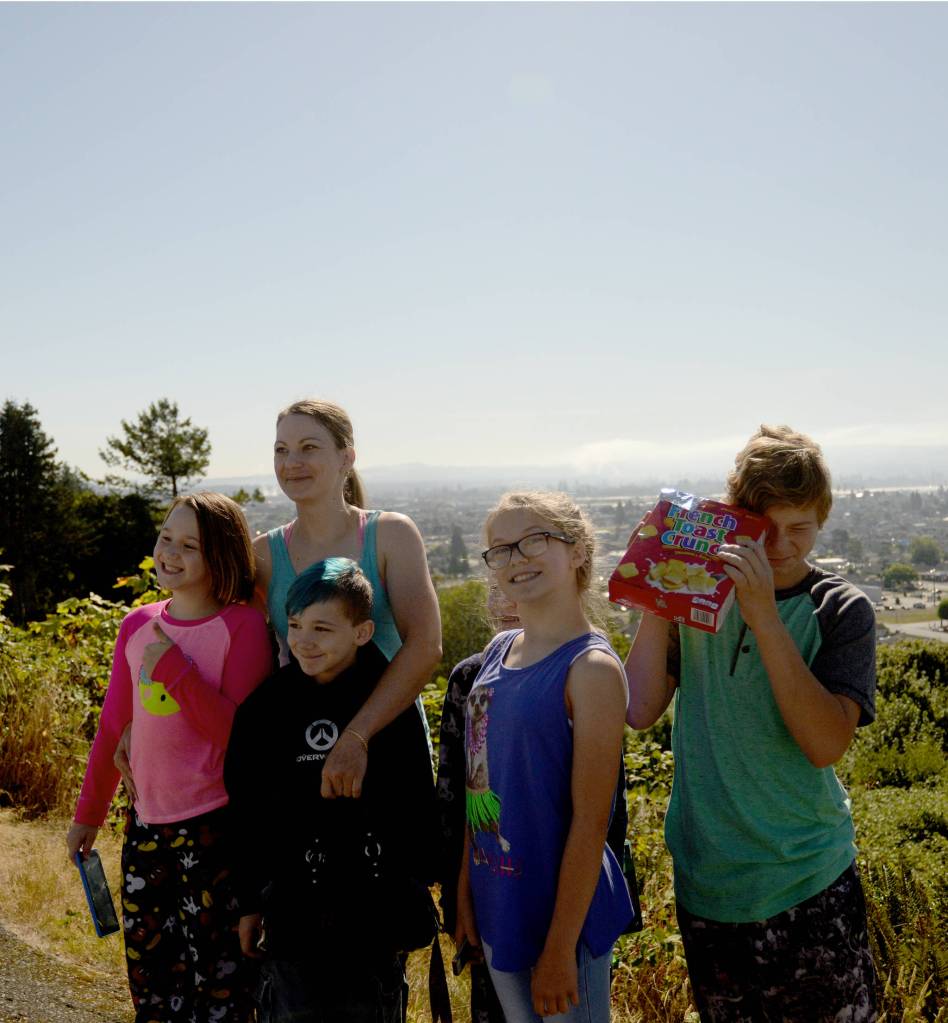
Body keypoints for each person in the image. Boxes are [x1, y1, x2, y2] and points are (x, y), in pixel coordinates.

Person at [623, 425, 878, 1023]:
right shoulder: (703, 595)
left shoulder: (841, 610)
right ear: (737, 518)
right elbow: (638, 710)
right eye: (767, 529)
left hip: (807, 879)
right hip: (709, 883)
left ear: (823, 519)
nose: (784, 547)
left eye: (801, 529)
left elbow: (824, 744)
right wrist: (660, 596)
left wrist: (764, 615)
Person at [66, 492, 273, 1023]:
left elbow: (243, 741)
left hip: (216, 834)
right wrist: (87, 815)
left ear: (221, 556)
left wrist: (174, 670)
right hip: (146, 829)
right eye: (166, 538)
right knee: (152, 979)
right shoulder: (137, 625)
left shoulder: (243, 627)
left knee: (220, 986)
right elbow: (114, 726)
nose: (171, 553)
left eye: (190, 546)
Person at [224, 558, 437, 1023]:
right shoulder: (266, 708)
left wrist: (414, 889)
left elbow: (416, 804)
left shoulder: (388, 704)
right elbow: (246, 810)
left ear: (361, 632)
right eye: (296, 625)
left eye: (322, 628)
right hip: (293, 914)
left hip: (372, 919)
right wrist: (249, 902)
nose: (303, 640)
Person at [456, 492, 634, 1023]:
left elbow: (591, 821)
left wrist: (560, 949)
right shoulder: (495, 653)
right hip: (498, 903)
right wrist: (466, 888)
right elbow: (477, 783)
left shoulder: (592, 669)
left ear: (577, 551)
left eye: (534, 540)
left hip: (562, 918)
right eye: (501, 549)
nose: (516, 559)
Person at [253, 399, 441, 800]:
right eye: (281, 450)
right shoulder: (263, 557)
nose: (292, 461)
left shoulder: (391, 535)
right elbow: (237, 654)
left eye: (309, 447)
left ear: (346, 458)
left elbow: (425, 644)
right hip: (302, 745)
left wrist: (357, 735)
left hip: (391, 736)